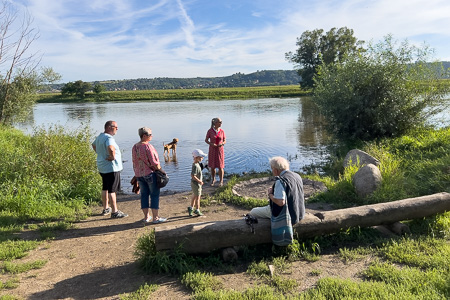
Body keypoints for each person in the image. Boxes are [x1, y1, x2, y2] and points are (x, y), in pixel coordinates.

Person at [249, 156, 305, 225]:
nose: (272, 171)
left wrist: (270, 194)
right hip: (299, 213)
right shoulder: (297, 176)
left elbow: (280, 202)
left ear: (275, 170)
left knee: (253, 211)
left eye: (272, 169)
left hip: (286, 215)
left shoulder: (281, 180)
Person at [92, 120, 128, 218]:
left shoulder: (100, 136)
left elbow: (93, 145)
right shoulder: (109, 138)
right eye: (116, 127)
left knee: (105, 188)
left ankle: (106, 208)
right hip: (111, 167)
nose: (117, 129)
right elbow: (111, 148)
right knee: (112, 190)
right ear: (109, 127)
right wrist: (112, 156)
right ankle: (115, 212)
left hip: (102, 166)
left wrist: (100, 154)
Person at [132, 127, 167, 224]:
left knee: (144, 195)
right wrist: (162, 171)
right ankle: (155, 218)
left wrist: (136, 173)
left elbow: (134, 162)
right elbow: (154, 162)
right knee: (154, 195)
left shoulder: (134, 147)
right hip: (150, 174)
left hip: (139, 175)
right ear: (144, 136)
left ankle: (146, 217)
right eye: (150, 135)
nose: (152, 136)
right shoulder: (148, 147)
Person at [205, 117, 226, 186]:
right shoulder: (210, 131)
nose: (221, 123)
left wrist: (222, 143)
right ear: (215, 123)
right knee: (213, 166)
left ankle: (221, 181)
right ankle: (213, 179)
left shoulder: (222, 131)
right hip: (212, 150)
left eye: (221, 122)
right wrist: (211, 144)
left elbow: (224, 140)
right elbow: (206, 140)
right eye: (219, 122)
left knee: (220, 166)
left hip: (220, 150)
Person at [188, 149, 207, 217]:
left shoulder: (197, 164)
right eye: (201, 157)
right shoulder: (195, 165)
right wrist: (199, 181)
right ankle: (197, 210)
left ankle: (191, 208)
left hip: (195, 184)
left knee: (194, 195)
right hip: (196, 184)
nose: (202, 158)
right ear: (196, 157)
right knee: (198, 197)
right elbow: (193, 175)